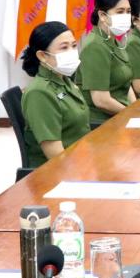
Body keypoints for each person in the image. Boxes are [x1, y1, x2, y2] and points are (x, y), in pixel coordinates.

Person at [20, 21, 90, 168]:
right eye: (64, 48)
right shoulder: (39, 93)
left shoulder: (65, 80)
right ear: (42, 56)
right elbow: (56, 156)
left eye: (74, 46)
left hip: (81, 158)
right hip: (56, 172)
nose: (72, 52)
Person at [76, 0, 136, 126]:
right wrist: (132, 114)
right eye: (120, 11)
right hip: (100, 123)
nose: (126, 16)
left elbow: (126, 84)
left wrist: (136, 109)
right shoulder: (95, 46)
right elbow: (101, 101)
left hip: (121, 115)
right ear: (103, 15)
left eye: (128, 11)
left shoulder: (113, 40)